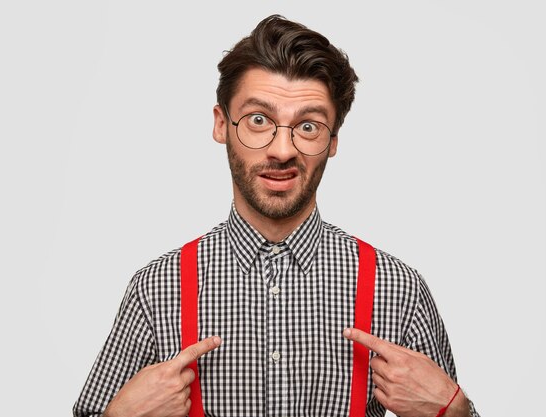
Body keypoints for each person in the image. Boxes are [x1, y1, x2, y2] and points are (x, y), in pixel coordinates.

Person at [74, 15, 479, 417]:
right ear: (221, 125)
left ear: (333, 140)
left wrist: (455, 411)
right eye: (258, 120)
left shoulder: (398, 290)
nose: (282, 150)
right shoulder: (157, 289)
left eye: (307, 126)